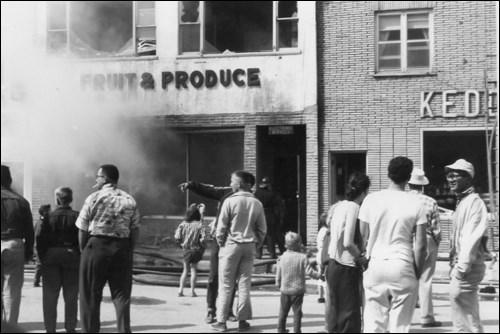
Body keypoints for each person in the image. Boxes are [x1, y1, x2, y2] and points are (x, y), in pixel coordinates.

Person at [359, 157, 427, 333]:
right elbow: (420, 245)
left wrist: (363, 261)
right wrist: (417, 272)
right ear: (409, 177)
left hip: (375, 263)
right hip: (402, 263)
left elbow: (361, 236)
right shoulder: (416, 203)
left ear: (388, 173)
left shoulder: (371, 200)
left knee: (373, 324)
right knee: (400, 327)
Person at [76, 164, 140, 333]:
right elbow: (135, 229)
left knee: (90, 296)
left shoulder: (93, 198)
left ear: (105, 179)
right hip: (121, 248)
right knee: (122, 297)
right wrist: (128, 250)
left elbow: (82, 228)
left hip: (96, 247)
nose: (96, 179)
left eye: (98, 176)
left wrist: (85, 251)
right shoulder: (129, 200)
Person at [211, 170, 267, 332]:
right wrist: (256, 244)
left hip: (231, 245)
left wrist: (221, 242)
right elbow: (262, 229)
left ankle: (221, 322)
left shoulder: (229, 202)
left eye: (232, 181)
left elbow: (221, 227)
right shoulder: (257, 203)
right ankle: (243, 321)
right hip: (249, 246)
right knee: (244, 284)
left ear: (240, 184)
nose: (230, 184)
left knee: (226, 284)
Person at [178, 180, 237, 324]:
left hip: (235, 241)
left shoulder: (250, 198)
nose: (231, 182)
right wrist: (192, 184)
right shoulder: (226, 192)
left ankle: (228, 311)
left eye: (233, 180)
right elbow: (209, 189)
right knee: (213, 277)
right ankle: (211, 310)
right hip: (219, 239)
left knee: (231, 278)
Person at [445, 159, 489, 333]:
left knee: (465, 315)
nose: (450, 179)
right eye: (449, 175)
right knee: (465, 314)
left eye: (455, 175)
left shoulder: (473, 202)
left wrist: (461, 268)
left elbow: (470, 236)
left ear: (469, 179)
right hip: (463, 265)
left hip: (466, 267)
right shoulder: (464, 201)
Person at [326, 172, 370, 333]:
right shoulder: (354, 208)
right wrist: (361, 258)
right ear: (364, 191)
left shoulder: (340, 205)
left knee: (336, 314)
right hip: (346, 266)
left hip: (333, 264)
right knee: (349, 316)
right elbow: (348, 242)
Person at [36, 187, 80, 333]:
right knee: (71, 295)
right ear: (71, 199)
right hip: (72, 255)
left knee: (49, 295)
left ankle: (50, 328)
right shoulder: (78, 216)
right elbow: (83, 238)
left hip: (51, 256)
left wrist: (43, 258)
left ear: (57, 199)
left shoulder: (48, 217)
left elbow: (39, 238)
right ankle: (70, 327)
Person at [408, 168, 442, 328]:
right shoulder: (430, 202)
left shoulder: (402, 199)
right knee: (426, 279)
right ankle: (426, 317)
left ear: (409, 184)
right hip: (427, 238)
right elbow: (436, 228)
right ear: (422, 185)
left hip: (407, 239)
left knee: (407, 276)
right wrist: (436, 243)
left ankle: (404, 315)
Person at [1, 165, 34, 326]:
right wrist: (28, 252)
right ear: (10, 180)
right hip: (14, 244)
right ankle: (10, 327)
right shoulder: (21, 201)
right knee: (11, 291)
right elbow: (29, 230)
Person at [276, 232, 320, 333]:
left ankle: (280, 329)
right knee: (297, 312)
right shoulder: (302, 257)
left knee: (283, 311)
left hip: (285, 289)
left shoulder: (282, 257)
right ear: (299, 244)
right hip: (298, 290)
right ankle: (297, 330)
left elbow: (279, 272)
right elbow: (309, 272)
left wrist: (278, 283)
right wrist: (318, 276)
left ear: (285, 245)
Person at [175, 203, 206, 297]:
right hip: (196, 251)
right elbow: (203, 239)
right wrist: (202, 246)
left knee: (185, 270)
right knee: (193, 270)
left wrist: (181, 244)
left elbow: (177, 236)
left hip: (186, 250)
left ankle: (180, 290)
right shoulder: (200, 225)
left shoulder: (183, 224)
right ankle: (192, 291)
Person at [254, 177, 285, 259]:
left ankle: (258, 254)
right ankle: (272, 254)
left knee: (259, 235)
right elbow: (278, 206)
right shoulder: (272, 194)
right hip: (270, 216)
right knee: (270, 235)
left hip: (258, 216)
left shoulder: (256, 194)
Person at [34, 204, 51, 287]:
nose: (50, 212)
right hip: (42, 247)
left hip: (42, 247)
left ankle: (37, 281)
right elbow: (38, 236)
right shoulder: (42, 223)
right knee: (40, 264)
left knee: (41, 264)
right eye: (49, 210)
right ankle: (36, 281)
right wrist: (38, 248)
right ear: (44, 212)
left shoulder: (41, 221)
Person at [315, 213, 328, 304]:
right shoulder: (327, 231)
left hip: (319, 253)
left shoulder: (320, 230)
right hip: (324, 253)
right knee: (326, 275)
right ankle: (327, 296)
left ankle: (320, 296)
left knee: (320, 274)